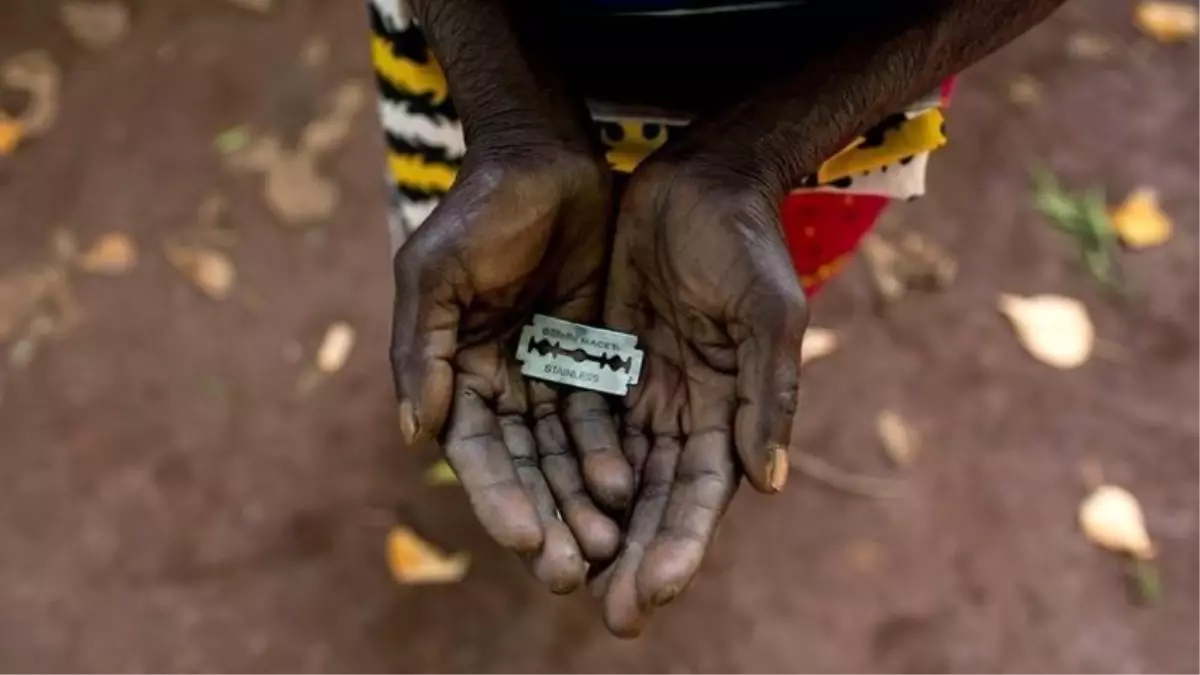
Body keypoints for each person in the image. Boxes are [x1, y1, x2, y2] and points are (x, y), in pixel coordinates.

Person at [373, 0, 1065, 637]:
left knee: (750, 293)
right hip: (475, 64)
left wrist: (764, 151)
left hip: (836, 105)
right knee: (479, 257)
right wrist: (509, 113)